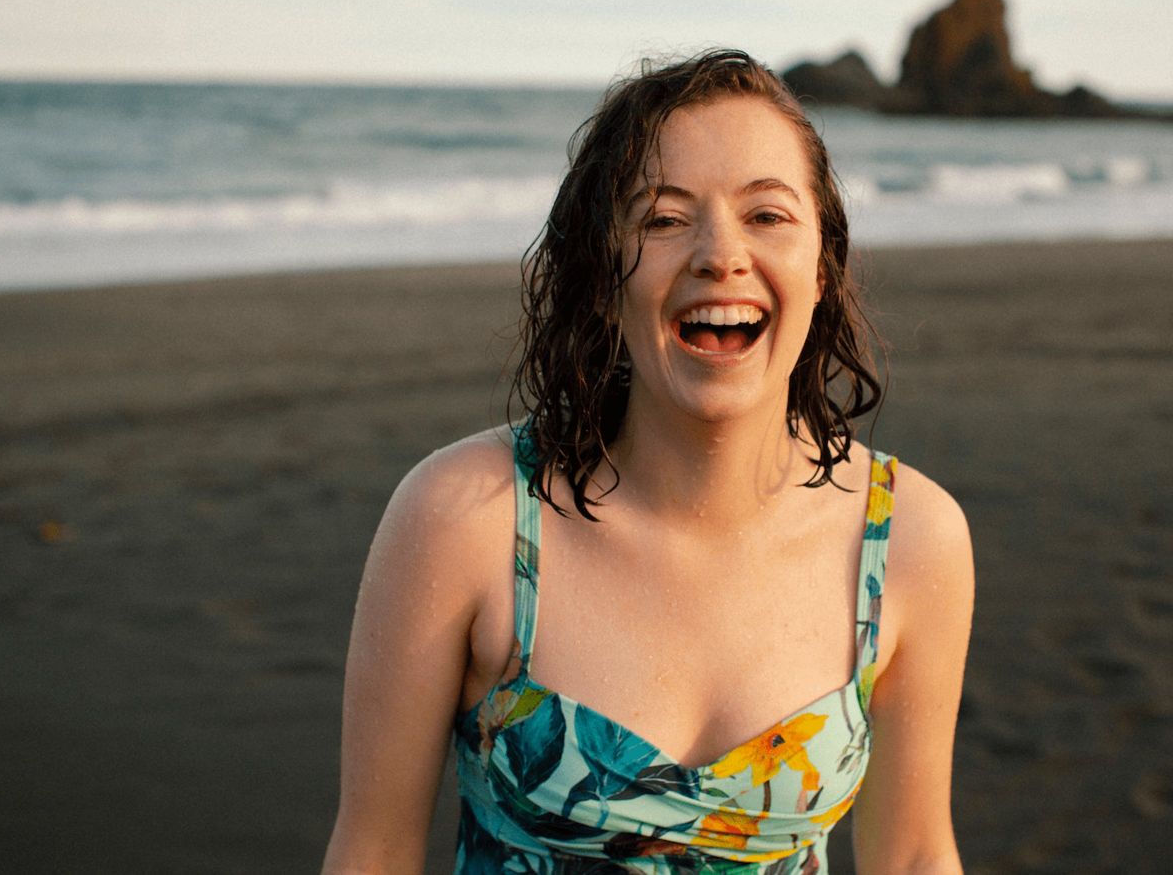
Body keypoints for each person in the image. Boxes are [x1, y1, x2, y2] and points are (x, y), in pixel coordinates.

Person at [322, 49, 974, 874]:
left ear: (822, 263)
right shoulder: (464, 518)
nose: (720, 255)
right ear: (603, 273)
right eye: (664, 219)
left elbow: (915, 853)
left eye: (767, 215)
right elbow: (372, 853)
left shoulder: (910, 536)